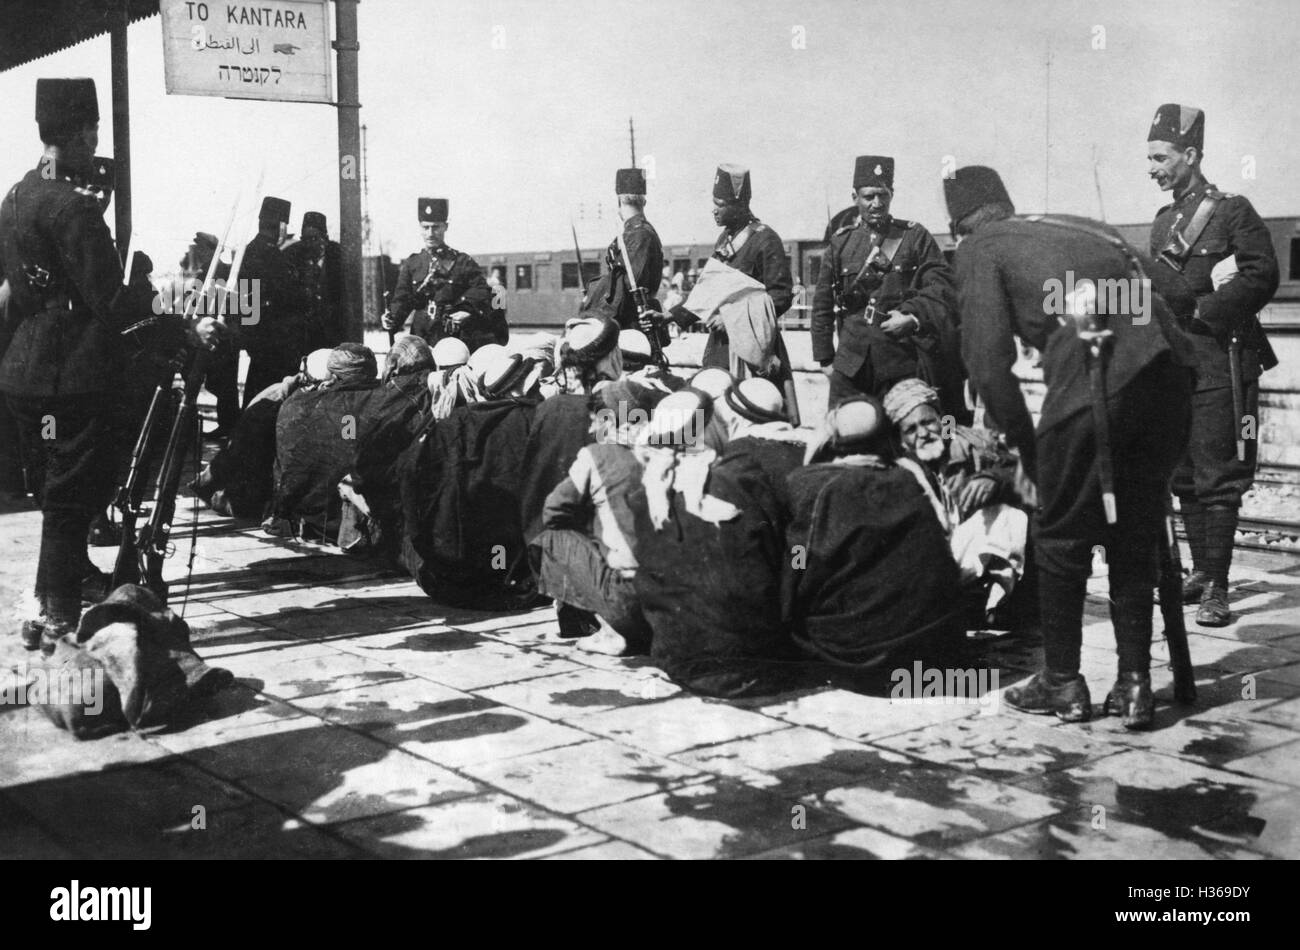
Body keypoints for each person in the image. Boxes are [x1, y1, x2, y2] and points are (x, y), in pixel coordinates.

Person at [945, 164, 1194, 729]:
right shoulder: (1082, 227)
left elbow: (986, 363)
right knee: (1134, 527)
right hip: (1172, 380)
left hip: (1096, 382)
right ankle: (1135, 687)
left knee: (1060, 533)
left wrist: (1032, 455)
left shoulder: (979, 249)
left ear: (959, 225)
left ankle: (1063, 684)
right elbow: (1178, 292)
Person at [0, 79, 171, 652]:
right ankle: (55, 618)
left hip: (25, 366)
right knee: (72, 497)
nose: (96, 144)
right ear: (76, 133)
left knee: (56, 492)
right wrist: (178, 317)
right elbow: (113, 301)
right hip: (70, 371)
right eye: (93, 132)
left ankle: (46, 598)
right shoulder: (73, 207)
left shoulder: (18, 196)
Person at [1146, 104, 1280, 626]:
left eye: (1161, 157)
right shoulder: (1162, 222)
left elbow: (1261, 274)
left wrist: (1204, 308)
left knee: (1218, 474)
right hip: (1179, 365)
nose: (1152, 168)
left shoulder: (1231, 210)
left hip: (1223, 360)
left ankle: (1218, 587)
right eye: (1150, 158)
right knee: (1183, 475)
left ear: (1191, 154)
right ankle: (1201, 570)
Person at [629, 389, 798, 697]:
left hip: (681, 661)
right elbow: (777, 561)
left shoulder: (649, 492)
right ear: (710, 427)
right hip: (753, 663)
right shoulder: (739, 478)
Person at [783, 397, 965, 676]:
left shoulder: (812, 485)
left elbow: (800, 563)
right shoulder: (907, 479)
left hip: (860, 658)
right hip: (933, 652)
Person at [812, 155, 963, 419]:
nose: (876, 204)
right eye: (869, 196)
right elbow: (823, 304)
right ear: (854, 197)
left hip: (901, 361)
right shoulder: (840, 243)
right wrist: (825, 359)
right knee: (845, 434)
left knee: (904, 437)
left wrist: (913, 317)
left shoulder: (915, 237)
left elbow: (942, 287)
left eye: (883, 195)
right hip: (850, 365)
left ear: (892, 194)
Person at [883, 377, 1029, 625]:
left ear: (942, 419)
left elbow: (1032, 472)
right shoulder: (895, 471)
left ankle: (995, 605)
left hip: (963, 560)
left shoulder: (971, 444)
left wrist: (995, 479)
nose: (923, 433)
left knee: (1009, 516)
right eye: (911, 429)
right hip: (924, 566)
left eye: (928, 422)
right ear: (901, 439)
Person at [531, 380, 660, 655]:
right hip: (666, 603)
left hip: (627, 602)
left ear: (612, 420)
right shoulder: (667, 450)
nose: (590, 429)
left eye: (596, 421)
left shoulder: (597, 455)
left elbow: (552, 511)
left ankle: (608, 630)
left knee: (553, 538)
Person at [667, 164, 799, 423]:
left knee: (752, 416)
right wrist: (670, 316)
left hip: (753, 350)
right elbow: (709, 291)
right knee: (713, 418)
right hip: (720, 349)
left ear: (740, 204)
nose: (714, 209)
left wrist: (731, 318)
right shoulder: (724, 240)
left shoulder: (765, 239)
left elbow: (781, 295)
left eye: (720, 203)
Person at [192, 349, 332, 520]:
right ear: (317, 385)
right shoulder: (274, 406)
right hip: (245, 491)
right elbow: (249, 460)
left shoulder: (300, 394)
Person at [268, 343, 381, 541]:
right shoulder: (362, 405)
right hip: (340, 518)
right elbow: (350, 451)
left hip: (309, 514)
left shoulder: (299, 402)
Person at [382, 198, 502, 351]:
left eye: (436, 227)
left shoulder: (462, 262)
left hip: (453, 336)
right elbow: (402, 299)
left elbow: (482, 292)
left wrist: (467, 312)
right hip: (421, 337)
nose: (430, 233)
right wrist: (391, 319)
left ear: (446, 227)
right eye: (425, 227)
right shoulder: (412, 263)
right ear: (420, 228)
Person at [238, 196, 311, 406]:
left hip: (263, 342)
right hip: (275, 343)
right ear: (280, 225)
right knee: (269, 399)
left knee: (257, 394)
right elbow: (282, 297)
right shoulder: (270, 256)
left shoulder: (252, 251)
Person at [580, 167, 665, 341]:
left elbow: (628, 286)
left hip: (630, 328)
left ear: (619, 199)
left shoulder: (637, 234)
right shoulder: (640, 232)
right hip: (630, 325)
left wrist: (594, 294)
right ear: (643, 202)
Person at [285, 211, 346, 352]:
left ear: (325, 238)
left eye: (314, 238)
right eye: (305, 239)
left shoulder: (338, 256)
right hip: (304, 335)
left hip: (331, 334)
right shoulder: (293, 256)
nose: (309, 244)